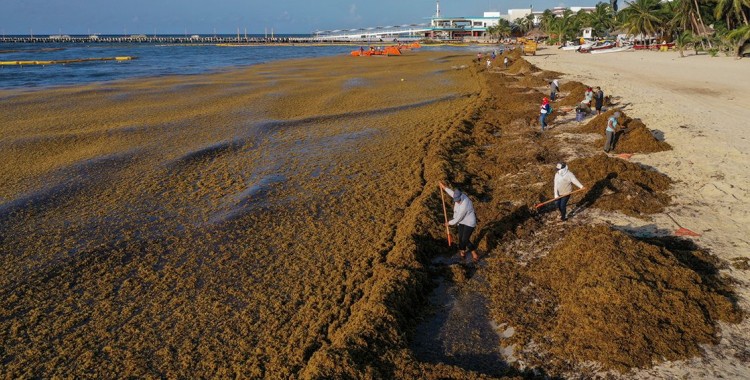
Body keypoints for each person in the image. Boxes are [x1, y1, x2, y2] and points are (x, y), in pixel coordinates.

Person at [439, 182, 479, 262]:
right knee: (460, 238)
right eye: (455, 200)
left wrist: (448, 223)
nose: (457, 202)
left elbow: (458, 218)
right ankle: (462, 252)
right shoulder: (458, 195)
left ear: (461, 197)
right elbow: (452, 193)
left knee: (465, 239)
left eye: (458, 200)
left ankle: (474, 252)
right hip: (462, 222)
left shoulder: (465, 204)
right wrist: (444, 187)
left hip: (469, 222)